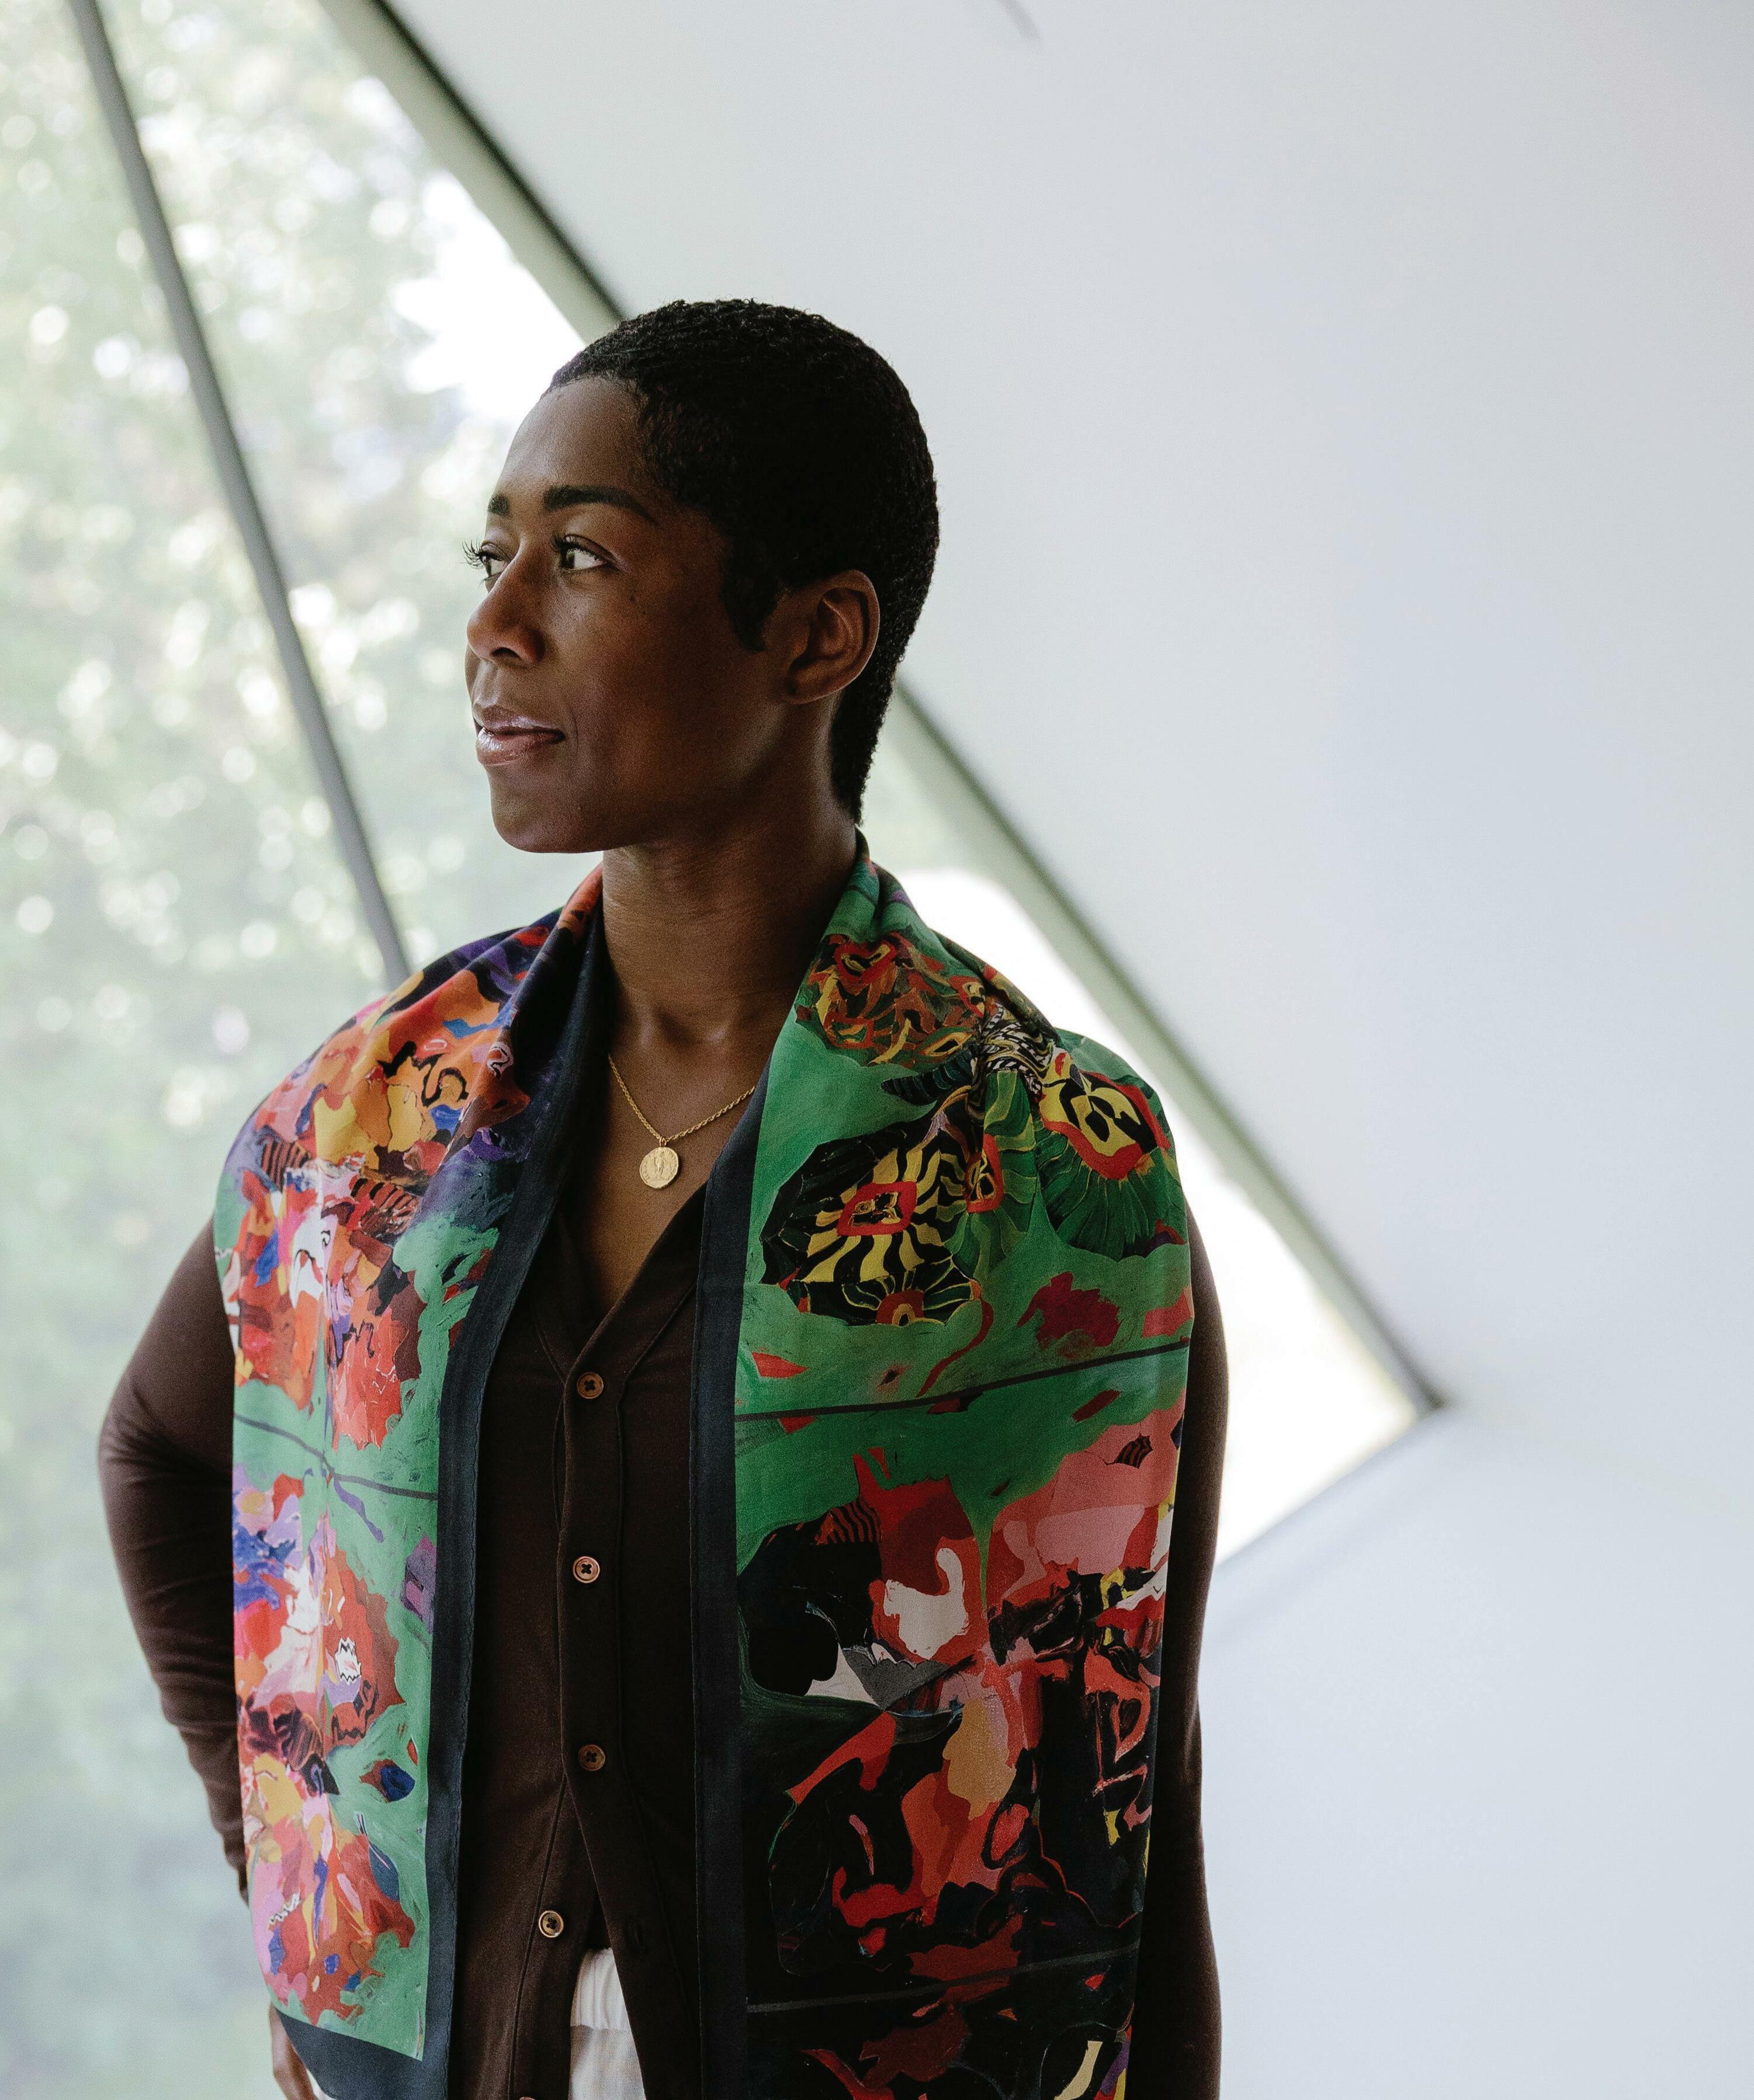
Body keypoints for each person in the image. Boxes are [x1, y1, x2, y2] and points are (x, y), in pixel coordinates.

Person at [99, 299, 1227, 2100]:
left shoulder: (1048, 1168)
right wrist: (297, 1855)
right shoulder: (376, 1123)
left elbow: (1127, 1777)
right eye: (491, 555)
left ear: (815, 635)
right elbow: (161, 1446)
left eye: (582, 556)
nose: (494, 625)